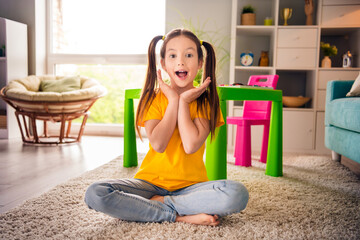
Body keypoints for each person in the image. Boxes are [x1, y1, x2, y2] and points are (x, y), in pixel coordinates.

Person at [85, 28, 249, 226]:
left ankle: (158, 205)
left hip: (192, 187)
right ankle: (179, 216)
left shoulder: (206, 103)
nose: (181, 61)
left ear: (199, 63)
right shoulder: (153, 99)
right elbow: (159, 144)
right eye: (173, 55)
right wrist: (173, 100)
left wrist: (184, 103)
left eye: (189, 55)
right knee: (96, 193)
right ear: (163, 63)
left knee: (237, 194)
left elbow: (190, 145)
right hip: (149, 184)